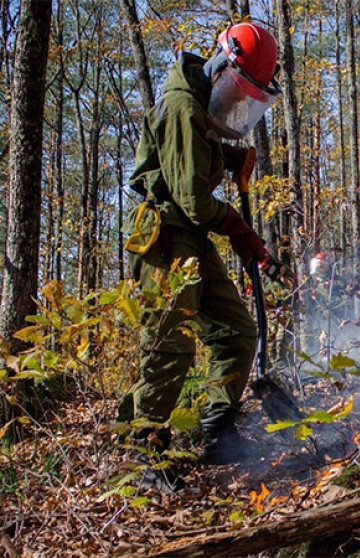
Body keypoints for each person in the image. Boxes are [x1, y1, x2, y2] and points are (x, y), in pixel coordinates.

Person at [122, 22, 282, 488]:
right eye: (239, 87)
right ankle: (143, 449)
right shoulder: (180, 104)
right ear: (223, 65)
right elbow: (190, 196)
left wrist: (229, 158)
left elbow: (194, 153)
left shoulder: (200, 102)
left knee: (236, 330)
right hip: (166, 233)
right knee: (169, 340)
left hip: (190, 232)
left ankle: (218, 433)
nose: (238, 99)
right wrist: (237, 228)